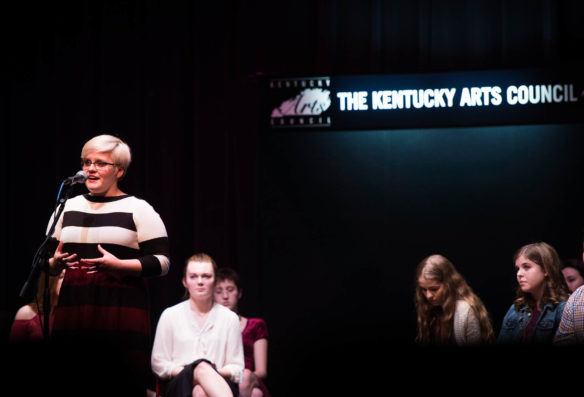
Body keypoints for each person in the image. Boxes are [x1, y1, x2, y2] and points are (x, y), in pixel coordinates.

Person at [47, 134, 170, 392]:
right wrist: (55, 263)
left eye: (101, 163)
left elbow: (162, 262)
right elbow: (44, 261)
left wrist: (120, 266)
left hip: (119, 311)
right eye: (86, 162)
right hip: (74, 311)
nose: (91, 168)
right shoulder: (67, 207)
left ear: (120, 171)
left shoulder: (138, 208)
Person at [151, 253, 244, 397]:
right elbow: (158, 364)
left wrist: (209, 373)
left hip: (220, 381)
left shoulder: (229, 318)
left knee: (199, 390)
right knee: (201, 368)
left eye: (206, 276)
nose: (200, 281)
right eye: (193, 276)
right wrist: (193, 371)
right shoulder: (170, 315)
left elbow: (237, 368)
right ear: (184, 281)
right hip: (178, 384)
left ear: (215, 280)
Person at [415, 254, 495, 346]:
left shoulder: (465, 311)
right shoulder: (428, 307)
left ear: (448, 284)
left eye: (434, 289)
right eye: (424, 289)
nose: (428, 295)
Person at [498, 242, 569, 345]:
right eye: (518, 268)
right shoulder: (516, 308)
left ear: (546, 269)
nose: (519, 274)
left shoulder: (564, 309)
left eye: (526, 267)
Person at [215, 268, 270, 397]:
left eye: (230, 290)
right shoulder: (210, 326)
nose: (225, 296)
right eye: (219, 291)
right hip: (220, 376)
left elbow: (262, 371)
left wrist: (244, 376)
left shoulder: (255, 325)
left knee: (245, 378)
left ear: (239, 293)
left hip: (246, 379)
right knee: (255, 394)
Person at [9, 269, 65, 342]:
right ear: (51, 280)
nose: (66, 281)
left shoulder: (74, 313)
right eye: (61, 277)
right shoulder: (27, 313)